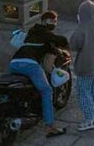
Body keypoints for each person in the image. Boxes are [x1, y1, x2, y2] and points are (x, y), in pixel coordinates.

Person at [9, 10, 70, 138]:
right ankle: (50, 127)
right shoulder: (44, 33)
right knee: (47, 91)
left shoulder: (32, 32)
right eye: (50, 20)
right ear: (43, 21)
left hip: (14, 63)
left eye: (55, 21)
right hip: (29, 64)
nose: (53, 23)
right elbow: (61, 40)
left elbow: (48, 46)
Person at [69, 0, 94, 132]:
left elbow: (73, 45)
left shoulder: (82, 27)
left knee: (84, 91)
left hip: (86, 65)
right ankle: (93, 115)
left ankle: (89, 119)